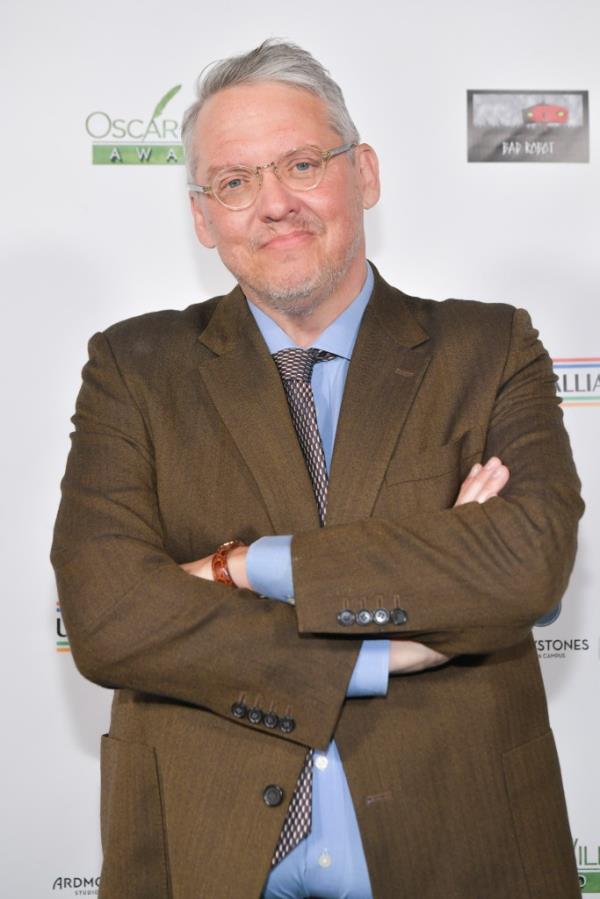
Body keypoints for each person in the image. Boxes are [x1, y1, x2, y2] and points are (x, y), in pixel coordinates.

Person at [51, 39, 584, 899]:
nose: (274, 204)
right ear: (202, 215)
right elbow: (109, 615)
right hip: (206, 853)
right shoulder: (133, 366)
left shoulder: (489, 347)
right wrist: (376, 650)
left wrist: (238, 568)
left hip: (460, 849)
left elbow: (523, 565)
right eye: (234, 181)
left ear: (362, 173)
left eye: (302, 163)